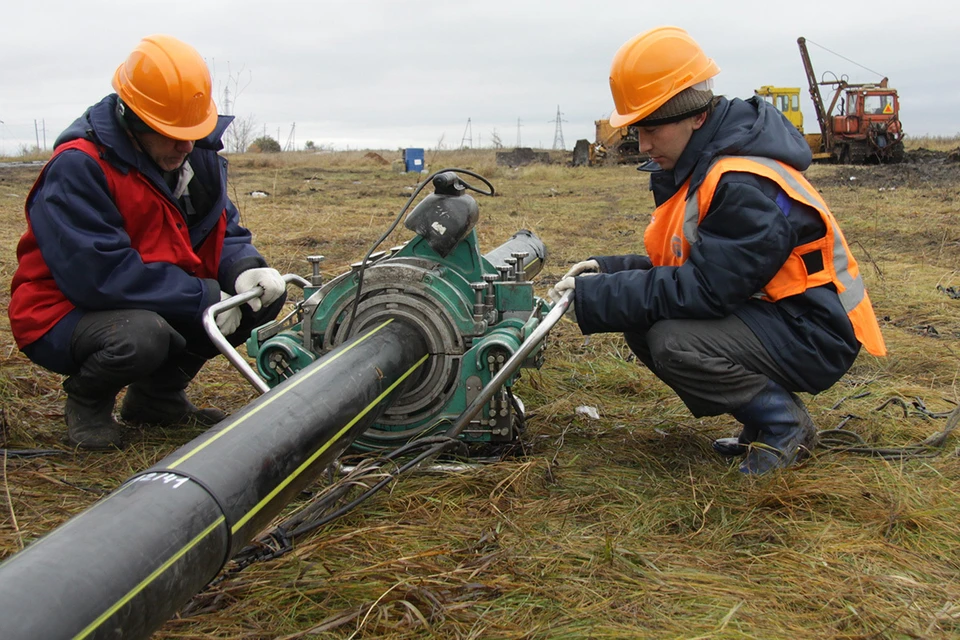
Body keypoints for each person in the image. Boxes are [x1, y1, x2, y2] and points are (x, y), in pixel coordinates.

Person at [550, 26, 886, 474]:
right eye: (637, 129)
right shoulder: (707, 165)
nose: (643, 145)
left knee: (673, 341)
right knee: (639, 316)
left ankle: (785, 426)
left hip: (815, 332)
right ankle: (759, 422)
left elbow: (706, 288)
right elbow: (696, 265)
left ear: (696, 117)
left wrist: (600, 297)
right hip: (780, 314)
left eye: (651, 128)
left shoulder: (743, 183)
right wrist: (606, 272)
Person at [8, 35, 287, 450]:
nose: (185, 145)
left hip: (151, 295)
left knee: (256, 298)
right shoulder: (79, 167)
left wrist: (244, 267)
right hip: (62, 311)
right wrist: (204, 297)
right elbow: (99, 276)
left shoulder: (194, 159)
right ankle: (88, 400)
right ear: (131, 119)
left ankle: (156, 399)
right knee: (141, 335)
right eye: (171, 133)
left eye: (192, 131)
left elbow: (220, 230)